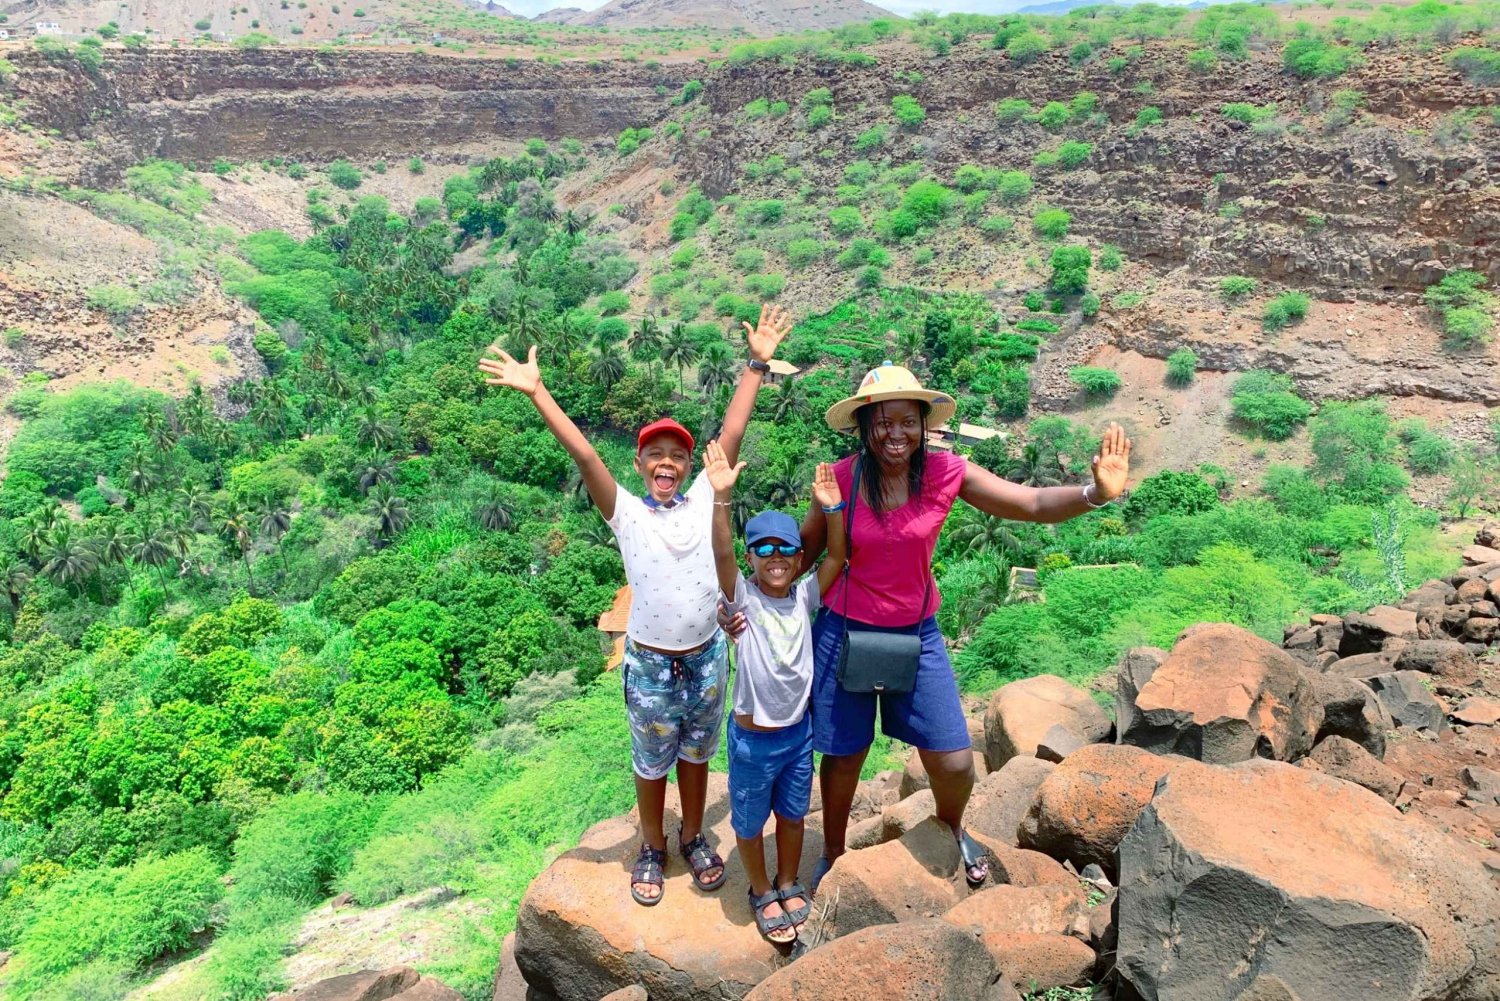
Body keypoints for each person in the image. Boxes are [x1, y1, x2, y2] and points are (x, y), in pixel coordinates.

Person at [767, 362, 1132, 891]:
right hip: (844, 632)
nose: (896, 433)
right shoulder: (841, 478)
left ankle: (952, 827)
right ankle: (834, 851)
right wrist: (749, 598)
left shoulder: (946, 472)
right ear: (865, 426)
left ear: (923, 423)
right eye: (882, 422)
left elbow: (1027, 503)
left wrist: (1093, 494)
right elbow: (807, 552)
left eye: (907, 420)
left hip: (917, 632)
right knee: (844, 755)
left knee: (955, 760)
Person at [477, 304, 795, 907]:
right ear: (642, 464)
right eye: (656, 455)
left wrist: (756, 364)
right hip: (649, 661)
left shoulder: (707, 495)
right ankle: (651, 846)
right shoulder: (626, 514)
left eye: (677, 453)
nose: (667, 462)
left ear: (689, 463)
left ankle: (694, 835)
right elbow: (587, 459)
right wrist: (538, 392)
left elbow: (731, 435)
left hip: (704, 657)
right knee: (652, 763)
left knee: (698, 755)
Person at [704, 442, 847, 943]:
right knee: (748, 822)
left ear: (798, 557)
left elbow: (837, 555)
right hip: (752, 740)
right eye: (763, 548)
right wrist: (722, 498)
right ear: (751, 558)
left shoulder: (806, 596)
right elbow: (721, 553)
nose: (776, 557)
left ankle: (788, 881)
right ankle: (761, 889)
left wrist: (831, 509)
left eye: (785, 548)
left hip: (797, 737)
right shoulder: (743, 598)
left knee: (791, 815)